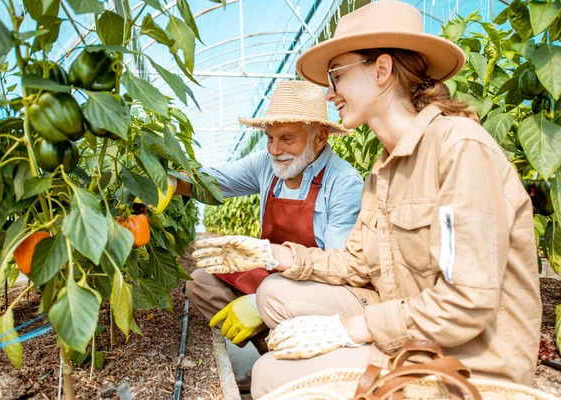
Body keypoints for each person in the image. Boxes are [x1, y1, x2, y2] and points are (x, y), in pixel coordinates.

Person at [191, 1, 542, 398]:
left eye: (336, 76)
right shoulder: (385, 168)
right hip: (410, 336)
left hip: (466, 364)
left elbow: (467, 302)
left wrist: (347, 329)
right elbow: (357, 262)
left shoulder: (458, 147)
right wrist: (272, 255)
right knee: (273, 314)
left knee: (272, 377)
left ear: (382, 70)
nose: (330, 91)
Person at [180, 81, 363, 368]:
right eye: (270, 138)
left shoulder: (343, 182)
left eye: (287, 138)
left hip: (317, 286)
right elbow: (215, 180)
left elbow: (340, 268)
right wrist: (164, 179)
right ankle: (273, 348)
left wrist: (259, 304)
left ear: (320, 138)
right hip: (276, 275)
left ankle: (302, 352)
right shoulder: (267, 165)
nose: (275, 149)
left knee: (271, 293)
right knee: (202, 282)